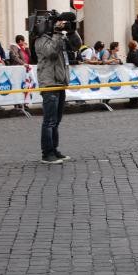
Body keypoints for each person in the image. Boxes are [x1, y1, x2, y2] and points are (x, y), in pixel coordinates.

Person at [35, 15, 82, 164]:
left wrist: (71, 31)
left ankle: (54, 150)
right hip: (49, 83)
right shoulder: (40, 40)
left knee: (56, 121)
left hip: (59, 82)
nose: (59, 25)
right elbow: (51, 53)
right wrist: (56, 34)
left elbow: (76, 46)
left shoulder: (58, 38)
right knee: (49, 121)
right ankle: (47, 153)